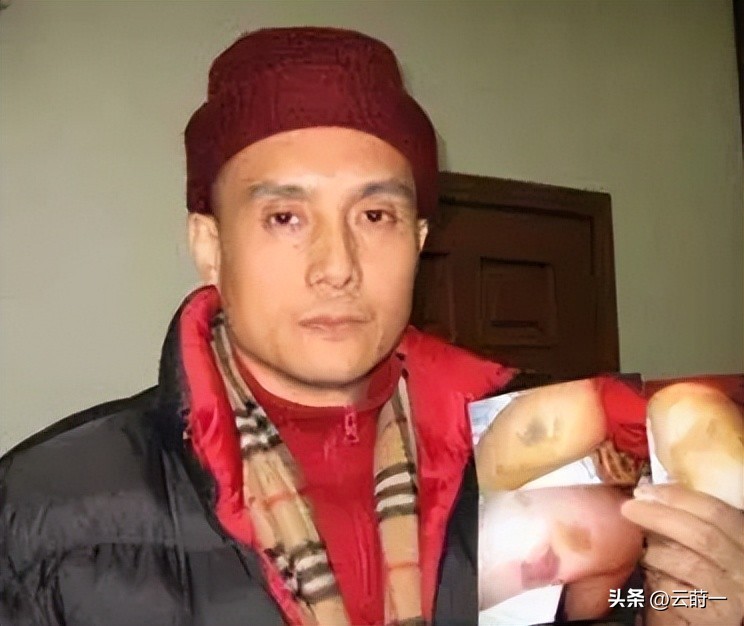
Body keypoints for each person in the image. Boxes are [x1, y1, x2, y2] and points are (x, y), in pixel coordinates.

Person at [0, 26, 741, 626]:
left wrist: (691, 606)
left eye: (376, 215)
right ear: (209, 244)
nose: (337, 266)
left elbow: (617, 606)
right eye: (285, 217)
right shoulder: (44, 508)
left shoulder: (531, 445)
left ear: (418, 241)